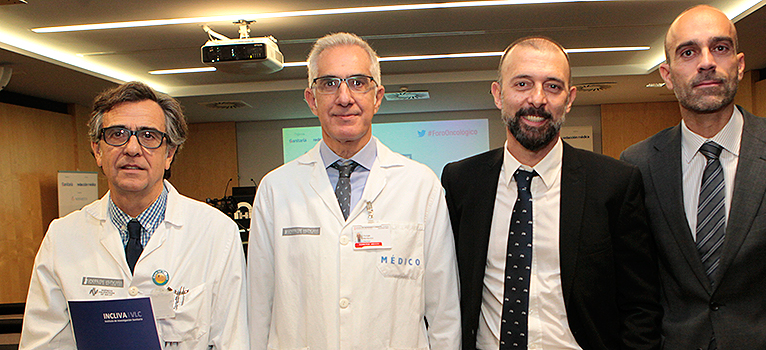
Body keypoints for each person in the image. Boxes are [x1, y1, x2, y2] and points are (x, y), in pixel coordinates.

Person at [620, 5, 766, 349]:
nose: (706, 62)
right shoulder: (639, 164)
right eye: (688, 52)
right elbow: (638, 287)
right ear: (668, 75)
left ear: (740, 64)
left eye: (720, 48)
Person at [442, 36, 661, 350]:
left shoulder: (614, 183)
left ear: (569, 99)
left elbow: (641, 305)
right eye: (522, 84)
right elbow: (445, 289)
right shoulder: (462, 181)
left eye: (553, 86)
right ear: (498, 94)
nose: (537, 99)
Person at [246, 32, 461, 350]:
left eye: (358, 82)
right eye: (329, 83)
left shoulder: (421, 185)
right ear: (311, 99)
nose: (344, 97)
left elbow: (444, 312)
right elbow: (258, 310)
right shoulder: (276, 190)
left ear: (377, 97)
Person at [19, 81, 248, 349]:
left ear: (169, 154)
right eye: (117, 134)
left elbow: (232, 340)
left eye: (148, 136)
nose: (132, 148)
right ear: (97, 150)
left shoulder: (216, 232)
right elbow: (42, 344)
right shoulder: (62, 237)